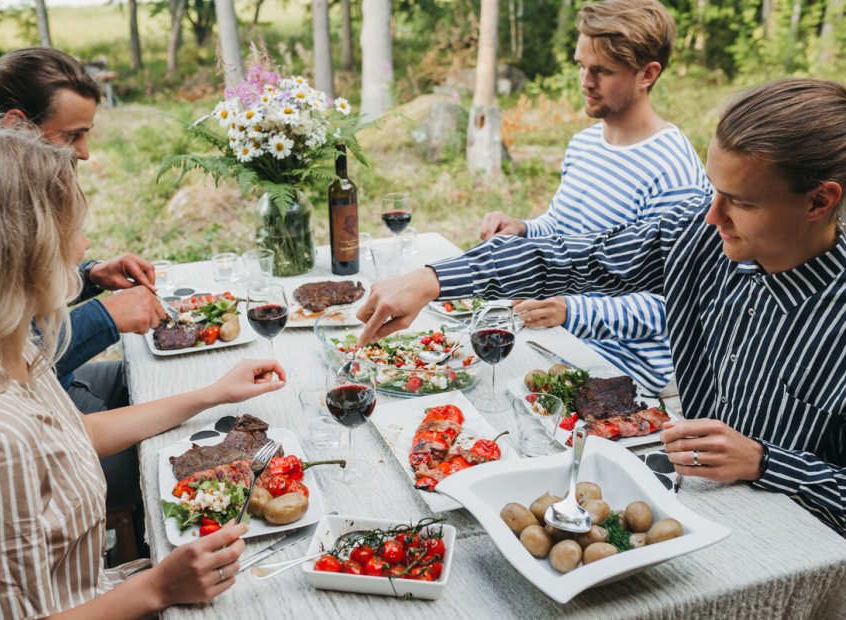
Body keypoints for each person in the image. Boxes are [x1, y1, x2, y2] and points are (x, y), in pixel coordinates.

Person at [357, 78, 846, 536]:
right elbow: (574, 256)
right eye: (715, 190)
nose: (712, 214)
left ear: (819, 201)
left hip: (802, 545)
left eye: (740, 202)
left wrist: (766, 462)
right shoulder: (700, 232)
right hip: (691, 509)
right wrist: (433, 279)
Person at [0, 118, 288, 616]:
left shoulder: (0, 347)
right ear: (19, 251)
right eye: (72, 231)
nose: (85, 249)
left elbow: (78, 434)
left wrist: (212, 394)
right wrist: (158, 588)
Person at [478, 0, 711, 394]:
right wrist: (523, 230)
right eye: (581, 66)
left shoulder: (673, 172)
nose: (585, 81)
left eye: (601, 71)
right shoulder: (584, 144)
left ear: (647, 73)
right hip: (561, 335)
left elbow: (676, 306)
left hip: (625, 368)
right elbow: (562, 227)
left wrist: (573, 310)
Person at [0, 47, 167, 415]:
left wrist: (90, 278)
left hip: (63, 381)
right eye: (72, 136)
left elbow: (26, 307)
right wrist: (106, 318)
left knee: (175, 381)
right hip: (35, 412)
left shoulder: (22, 189)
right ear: (17, 126)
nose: (85, 153)